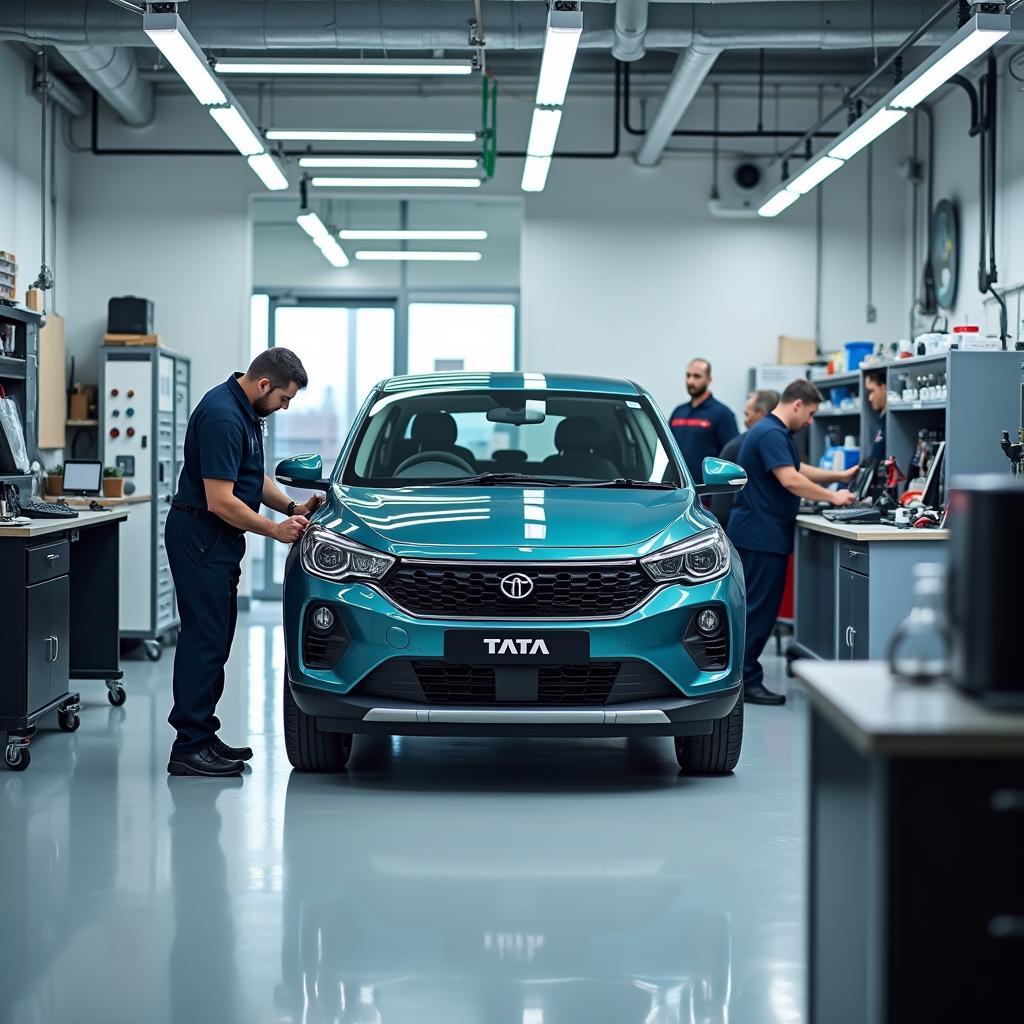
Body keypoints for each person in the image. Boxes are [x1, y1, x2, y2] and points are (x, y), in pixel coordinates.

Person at [165, 349, 323, 777]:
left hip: (216, 540)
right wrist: (274, 529)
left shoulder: (247, 413)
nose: (286, 407)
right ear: (264, 385)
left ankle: (202, 736)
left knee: (216, 640)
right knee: (204, 641)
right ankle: (189, 748)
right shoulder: (222, 417)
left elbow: (252, 478)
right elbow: (220, 501)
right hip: (201, 536)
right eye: (284, 398)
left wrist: (293, 505)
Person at [727, 379, 857, 706]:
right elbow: (791, 479)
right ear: (797, 404)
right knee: (758, 612)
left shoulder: (771, 432)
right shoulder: (771, 432)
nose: (810, 421)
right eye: (811, 414)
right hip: (761, 536)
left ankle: (742, 677)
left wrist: (837, 477)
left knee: (755, 609)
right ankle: (745, 681)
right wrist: (834, 497)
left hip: (759, 533)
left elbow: (796, 468)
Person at [714, 389, 779, 528]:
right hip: (746, 528)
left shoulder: (740, 444)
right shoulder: (749, 445)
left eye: (747, 414)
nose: (745, 420)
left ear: (762, 415)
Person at [669, 359, 739, 483]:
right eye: (688, 375)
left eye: (697, 376)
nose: (691, 381)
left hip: (707, 492)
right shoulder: (678, 412)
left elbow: (732, 456)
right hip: (677, 489)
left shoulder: (722, 414)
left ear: (709, 380)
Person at [864, 368, 887, 461]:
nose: (869, 398)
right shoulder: (881, 420)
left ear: (884, 387)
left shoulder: (891, 423)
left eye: (872, 391)